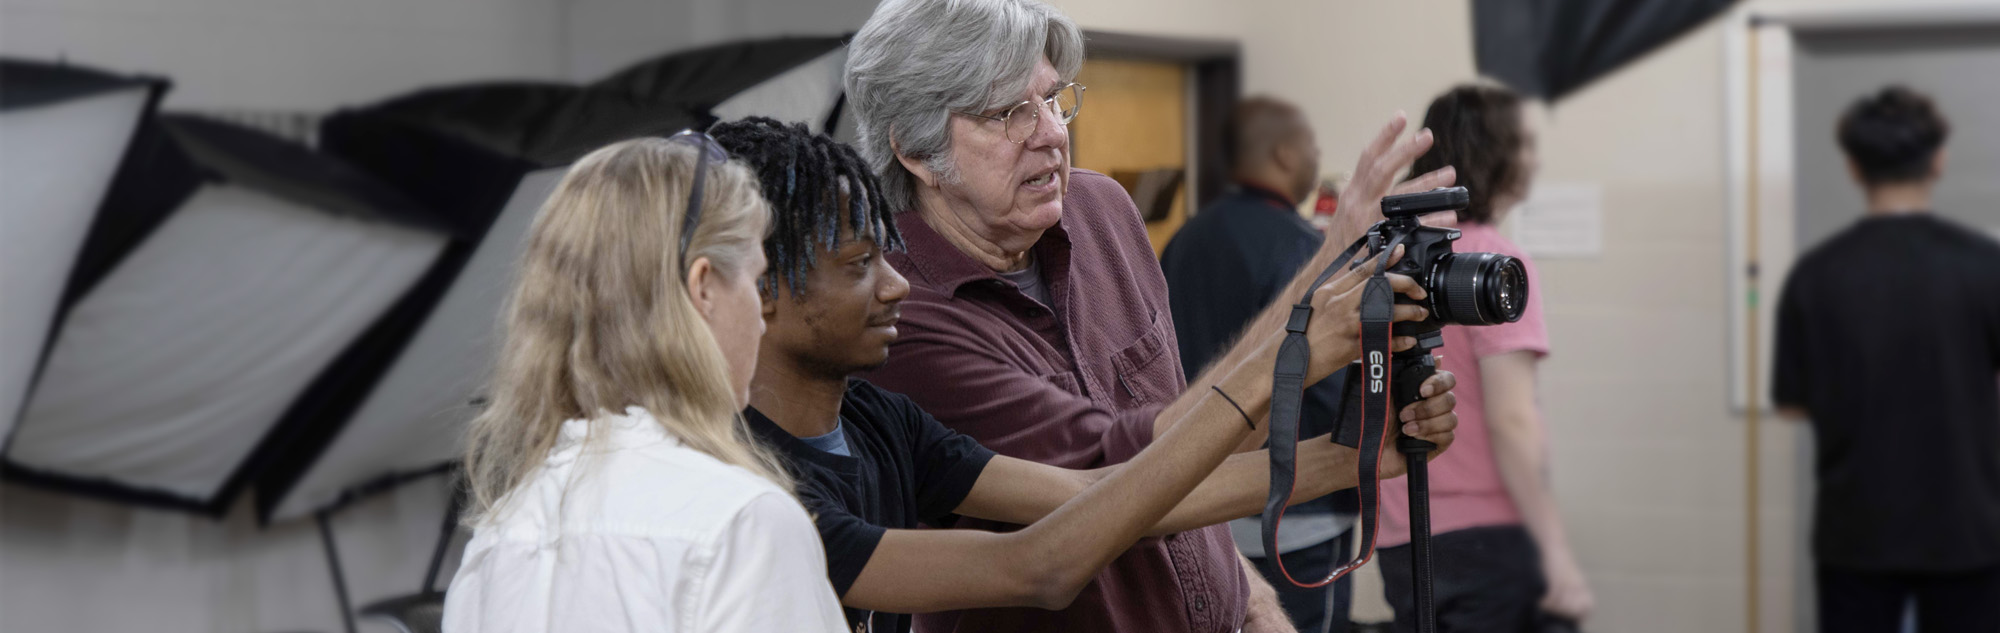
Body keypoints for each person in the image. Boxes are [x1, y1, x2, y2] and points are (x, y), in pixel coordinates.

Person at [843, 1, 1459, 631]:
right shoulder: (903, 319)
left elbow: (1195, 437)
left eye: (1053, 99)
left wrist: (1249, 598)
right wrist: (1310, 342)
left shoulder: (1100, 210)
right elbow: (1121, 485)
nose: (1051, 132)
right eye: (1007, 114)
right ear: (915, 153)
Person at [711, 117, 1457, 633]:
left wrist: (1355, 456)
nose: (895, 285)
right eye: (857, 267)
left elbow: (1109, 496)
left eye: (1051, 100)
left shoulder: (878, 420)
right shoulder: (760, 489)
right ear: (756, 288)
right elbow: (1041, 563)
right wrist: (1292, 349)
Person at [442, 137, 846, 632]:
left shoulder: (497, 538)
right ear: (703, 289)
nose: (761, 321)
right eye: (756, 283)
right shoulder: (742, 522)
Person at [1773, 86, 2000, 633]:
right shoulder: (1987, 265)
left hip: (1858, 530)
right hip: (1969, 525)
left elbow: (1792, 407)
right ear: (1939, 161)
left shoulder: (1815, 273)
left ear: (1852, 168)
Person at [1374, 83, 1592, 633]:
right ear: (1496, 154)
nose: (1534, 158)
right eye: (1523, 144)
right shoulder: (1496, 267)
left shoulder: (1387, 254)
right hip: (1487, 540)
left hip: (1404, 535)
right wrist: (1555, 551)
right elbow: (1511, 418)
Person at [1161, 96, 1357, 633]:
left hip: (1197, 507)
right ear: (1285, 153)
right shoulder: (1303, 250)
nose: (1317, 157)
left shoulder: (1184, 241)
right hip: (1300, 510)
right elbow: (1330, 377)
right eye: (1313, 146)